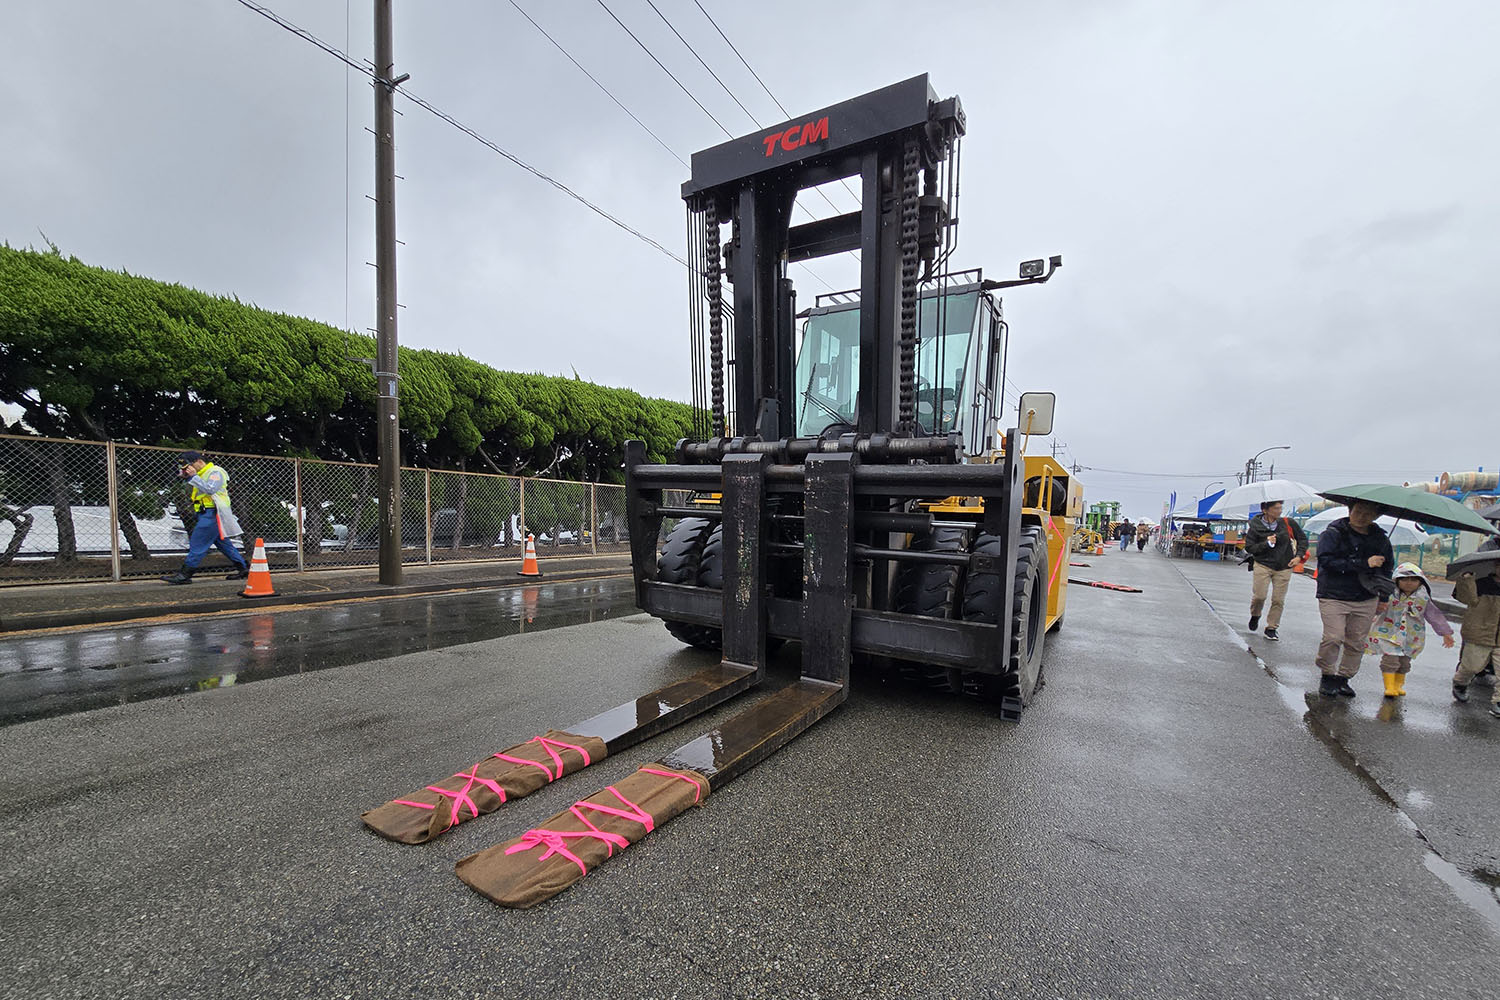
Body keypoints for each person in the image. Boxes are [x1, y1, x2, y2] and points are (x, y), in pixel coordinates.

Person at [1313, 500, 1394, 697]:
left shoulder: (1381, 539)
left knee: (1356, 641)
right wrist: (1364, 563)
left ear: (1375, 516)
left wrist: (1383, 597)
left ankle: (1344, 678)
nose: (1361, 516)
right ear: (1350, 511)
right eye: (1358, 511)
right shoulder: (1333, 534)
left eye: (1367, 513)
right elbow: (1326, 561)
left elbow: (1387, 569)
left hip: (1366, 597)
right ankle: (1327, 674)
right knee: (1333, 637)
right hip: (1333, 594)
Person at [1363, 563, 1454, 697]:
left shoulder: (1423, 598)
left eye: (1414, 580)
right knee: (1390, 660)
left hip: (1411, 636)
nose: (1409, 583)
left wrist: (1445, 632)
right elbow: (1375, 607)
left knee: (1404, 662)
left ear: (1420, 581)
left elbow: (1434, 616)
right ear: (1397, 580)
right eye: (1404, 579)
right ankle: (1389, 686)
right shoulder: (1388, 594)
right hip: (1389, 634)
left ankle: (1398, 685)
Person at [162, 450, 249, 585]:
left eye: (189, 466)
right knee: (223, 544)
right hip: (206, 513)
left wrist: (193, 477)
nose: (188, 469)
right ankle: (243, 568)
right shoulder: (201, 474)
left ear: (199, 461)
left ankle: (185, 575)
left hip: (213, 513)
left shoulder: (215, 472)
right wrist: (188, 477)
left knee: (198, 543)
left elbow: (210, 489)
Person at [1244, 500, 1309, 641]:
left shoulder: (1287, 523)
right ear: (1265, 510)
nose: (1279, 511)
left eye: (1280, 508)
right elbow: (1249, 547)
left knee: (1278, 600)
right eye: (1276, 508)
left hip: (1284, 566)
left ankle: (1272, 627)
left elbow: (1303, 540)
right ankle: (1255, 615)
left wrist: (1298, 556)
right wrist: (1267, 543)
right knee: (1259, 596)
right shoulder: (1255, 526)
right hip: (1262, 564)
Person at [1451, 562, 1500, 718]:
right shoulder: (1481, 583)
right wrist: (1466, 580)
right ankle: (1460, 683)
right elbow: (1464, 598)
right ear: (1495, 567)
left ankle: (1498, 702)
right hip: (1479, 633)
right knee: (1471, 666)